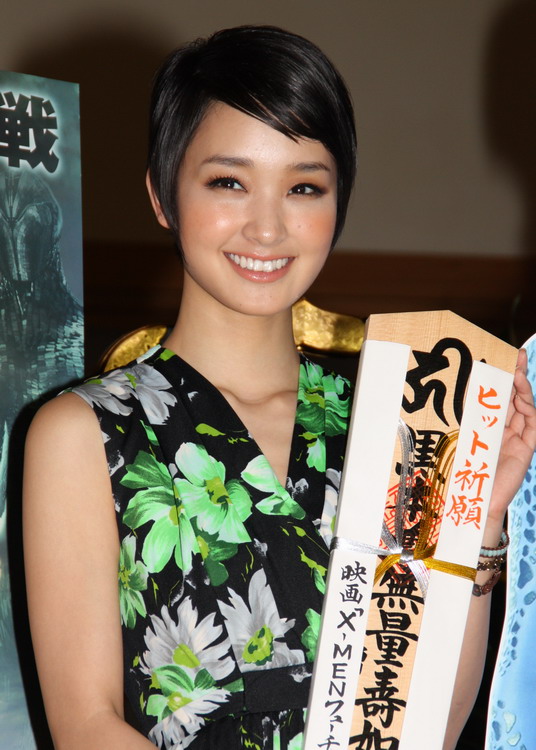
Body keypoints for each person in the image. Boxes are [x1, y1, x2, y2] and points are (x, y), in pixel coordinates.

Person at [22, 25, 536, 750]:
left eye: (303, 188)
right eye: (229, 182)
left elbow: (430, 722)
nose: (267, 228)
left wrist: (478, 521)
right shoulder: (84, 433)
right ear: (162, 195)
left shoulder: (396, 422)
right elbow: (86, 725)